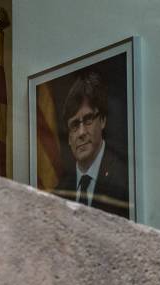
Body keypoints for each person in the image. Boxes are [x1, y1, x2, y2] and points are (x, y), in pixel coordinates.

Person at [54, 71, 129, 219]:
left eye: (88, 120)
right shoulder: (59, 193)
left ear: (102, 121)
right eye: (74, 125)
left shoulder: (126, 180)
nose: (81, 132)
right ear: (69, 138)